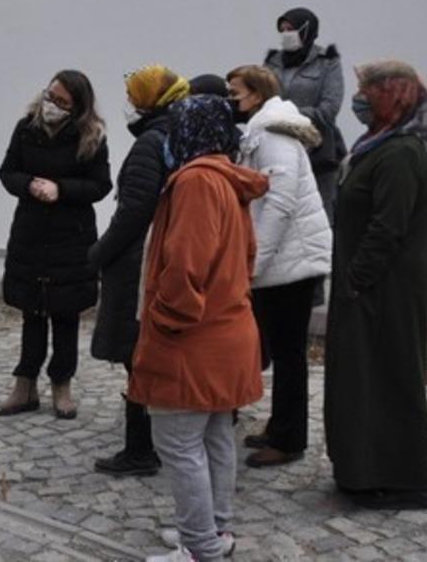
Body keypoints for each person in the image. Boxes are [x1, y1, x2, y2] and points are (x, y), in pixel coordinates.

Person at [128, 96, 268, 562]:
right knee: (213, 438)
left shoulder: (195, 181)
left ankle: (201, 547)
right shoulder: (226, 178)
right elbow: (246, 256)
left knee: (180, 444)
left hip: (193, 337)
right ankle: (214, 532)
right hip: (227, 329)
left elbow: (186, 264)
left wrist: (166, 321)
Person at [324, 60, 427, 510]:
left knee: (388, 378)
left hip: (384, 292)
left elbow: (388, 227)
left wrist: (356, 280)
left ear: (395, 94)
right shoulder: (378, 144)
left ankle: (398, 478)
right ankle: (360, 469)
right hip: (365, 289)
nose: (360, 97)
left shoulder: (402, 153)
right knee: (361, 380)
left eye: (369, 89)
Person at [88, 65, 192, 476]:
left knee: (139, 354)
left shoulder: (153, 141)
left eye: (134, 96)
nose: (129, 103)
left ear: (151, 99)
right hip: (159, 254)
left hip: (139, 261)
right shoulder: (180, 133)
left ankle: (139, 449)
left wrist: (98, 253)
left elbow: (134, 211)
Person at [226, 65, 332, 469]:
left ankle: (289, 439)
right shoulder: (264, 128)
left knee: (289, 357)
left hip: (291, 262)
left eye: (236, 92)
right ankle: (279, 427)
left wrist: (255, 261)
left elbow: (280, 203)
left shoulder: (272, 133)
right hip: (284, 261)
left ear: (256, 93)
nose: (231, 99)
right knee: (283, 351)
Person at [0, 70, 111, 420]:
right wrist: (29, 185)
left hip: (70, 237)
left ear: (77, 106)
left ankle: (62, 385)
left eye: (62, 102)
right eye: (51, 96)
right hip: (30, 233)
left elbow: (100, 185)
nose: (53, 105)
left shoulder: (91, 136)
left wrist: (61, 190)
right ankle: (24, 385)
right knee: (32, 312)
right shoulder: (26, 127)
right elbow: (7, 172)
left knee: (65, 314)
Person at [263, 7, 345, 224]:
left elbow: (329, 109)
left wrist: (288, 114)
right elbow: (261, 99)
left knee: (318, 217)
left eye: (290, 29)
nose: (285, 34)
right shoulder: (272, 62)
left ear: (305, 30)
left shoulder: (327, 62)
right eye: (282, 30)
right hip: (277, 146)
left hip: (317, 152)